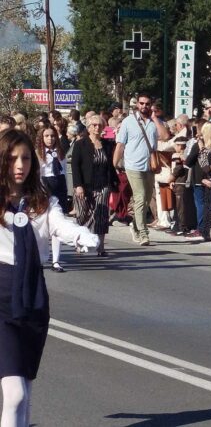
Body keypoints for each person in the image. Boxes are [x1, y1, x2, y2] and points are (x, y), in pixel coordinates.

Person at [0, 129, 98, 426]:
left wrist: (82, 235)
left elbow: (61, 225)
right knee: (15, 393)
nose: (20, 165)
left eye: (26, 158)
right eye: (13, 158)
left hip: (32, 297)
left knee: (25, 389)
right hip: (0, 295)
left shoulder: (42, 202)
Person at [113, 93, 170, 246]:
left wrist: (155, 119)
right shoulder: (128, 122)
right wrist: (113, 165)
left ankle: (135, 225)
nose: (144, 106)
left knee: (145, 199)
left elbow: (165, 136)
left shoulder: (154, 122)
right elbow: (120, 145)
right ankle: (143, 233)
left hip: (150, 166)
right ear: (137, 104)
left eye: (147, 104)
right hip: (133, 165)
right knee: (140, 196)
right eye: (141, 103)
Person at [71, 115, 119, 257]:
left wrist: (113, 182)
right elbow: (75, 166)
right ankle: (79, 242)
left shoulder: (108, 144)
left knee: (101, 215)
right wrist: (78, 185)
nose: (97, 128)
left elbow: (110, 165)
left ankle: (101, 247)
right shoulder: (81, 144)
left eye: (99, 125)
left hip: (102, 184)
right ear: (88, 127)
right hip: (84, 185)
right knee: (82, 214)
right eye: (94, 125)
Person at [36, 126, 68, 273]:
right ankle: (41, 258)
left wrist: (67, 191)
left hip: (59, 187)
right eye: (47, 136)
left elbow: (64, 173)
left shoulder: (60, 153)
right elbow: (37, 176)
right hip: (45, 188)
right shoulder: (38, 155)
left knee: (57, 225)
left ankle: (56, 261)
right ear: (42, 138)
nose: (50, 139)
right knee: (42, 227)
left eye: (53, 136)